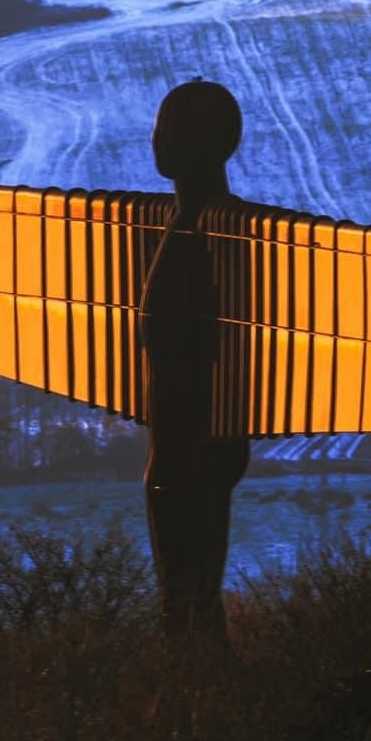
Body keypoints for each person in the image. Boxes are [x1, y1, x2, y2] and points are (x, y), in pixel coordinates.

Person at [140, 79, 250, 638]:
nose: (155, 143)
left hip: (201, 437)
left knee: (191, 599)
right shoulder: (177, 224)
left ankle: (199, 678)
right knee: (181, 603)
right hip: (175, 438)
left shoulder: (217, 231)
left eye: (167, 132)